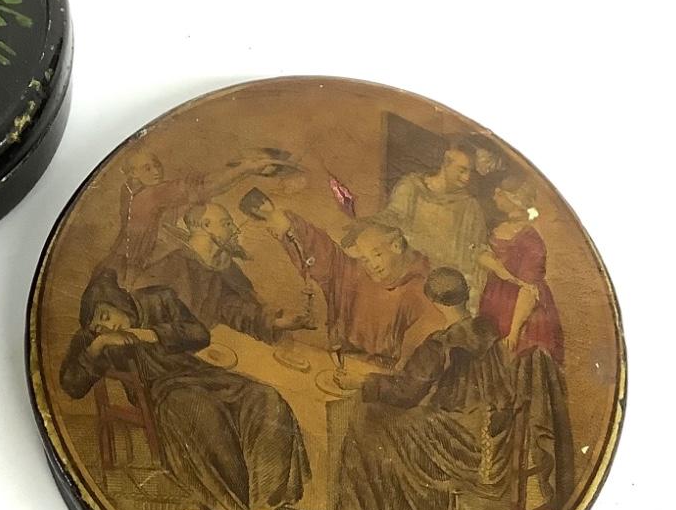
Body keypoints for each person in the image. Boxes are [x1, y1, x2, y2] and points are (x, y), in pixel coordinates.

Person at [59, 270, 309, 510]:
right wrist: (97, 347)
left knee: (265, 398)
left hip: (202, 374)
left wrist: (149, 335)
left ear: (118, 300)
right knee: (206, 416)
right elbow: (72, 385)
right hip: (165, 393)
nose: (105, 326)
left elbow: (199, 334)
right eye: (97, 326)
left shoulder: (159, 298)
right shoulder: (96, 339)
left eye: (105, 315)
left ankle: (263, 507)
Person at [302, 268, 515, 510]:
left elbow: (405, 393)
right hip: (486, 435)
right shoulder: (489, 332)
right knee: (385, 424)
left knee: (366, 418)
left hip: (453, 439)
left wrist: (362, 382)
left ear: (433, 301)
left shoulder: (442, 342)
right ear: (466, 294)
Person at [241, 189, 443, 366]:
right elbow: (327, 257)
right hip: (344, 363)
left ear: (396, 246)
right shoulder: (358, 275)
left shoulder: (421, 291)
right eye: (365, 258)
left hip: (381, 377)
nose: (372, 265)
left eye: (378, 254)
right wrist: (292, 227)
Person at [99, 148, 283, 288]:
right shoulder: (149, 196)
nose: (156, 171)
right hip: (122, 276)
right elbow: (205, 187)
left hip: (133, 273)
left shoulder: (139, 196)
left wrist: (243, 171)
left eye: (157, 165)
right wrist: (246, 168)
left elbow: (203, 190)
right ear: (133, 174)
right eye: (147, 168)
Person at [139, 202, 310, 342]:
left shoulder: (222, 271)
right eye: (227, 224)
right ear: (206, 226)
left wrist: (275, 322)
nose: (235, 229)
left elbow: (232, 308)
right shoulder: (167, 266)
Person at [377, 143, 488, 298]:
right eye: (462, 170)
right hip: (408, 282)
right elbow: (390, 223)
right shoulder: (412, 188)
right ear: (446, 162)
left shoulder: (470, 207)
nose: (467, 178)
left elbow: (473, 258)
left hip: (445, 290)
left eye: (471, 172)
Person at [477, 172, 564, 363]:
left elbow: (529, 291)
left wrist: (514, 331)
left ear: (514, 199)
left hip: (522, 313)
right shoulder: (500, 228)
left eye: (500, 193)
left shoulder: (531, 240)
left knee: (518, 361)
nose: (494, 196)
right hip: (495, 303)